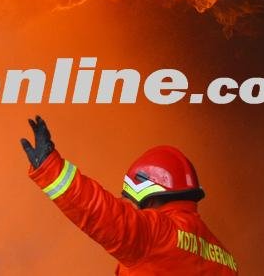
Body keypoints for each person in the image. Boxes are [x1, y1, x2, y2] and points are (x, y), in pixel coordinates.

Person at [21, 116, 238, 274]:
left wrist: (50, 169)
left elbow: (105, 215)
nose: (134, 209)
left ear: (151, 195)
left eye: (135, 203)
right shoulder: (225, 259)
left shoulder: (159, 236)